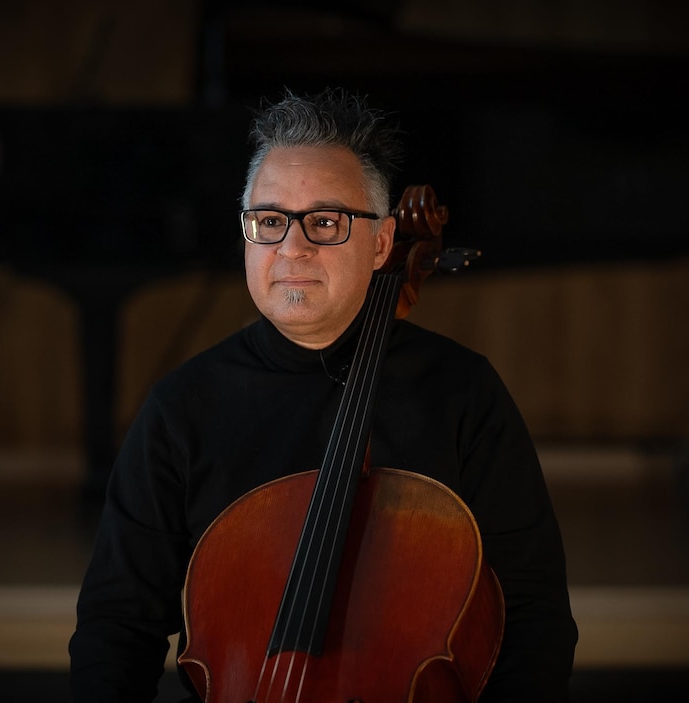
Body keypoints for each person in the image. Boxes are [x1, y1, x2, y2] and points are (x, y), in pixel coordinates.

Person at [69, 87, 579, 702]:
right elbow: (117, 629)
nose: (292, 246)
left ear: (383, 243)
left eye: (327, 221)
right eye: (269, 220)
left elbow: (533, 619)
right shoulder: (182, 409)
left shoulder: (463, 394)